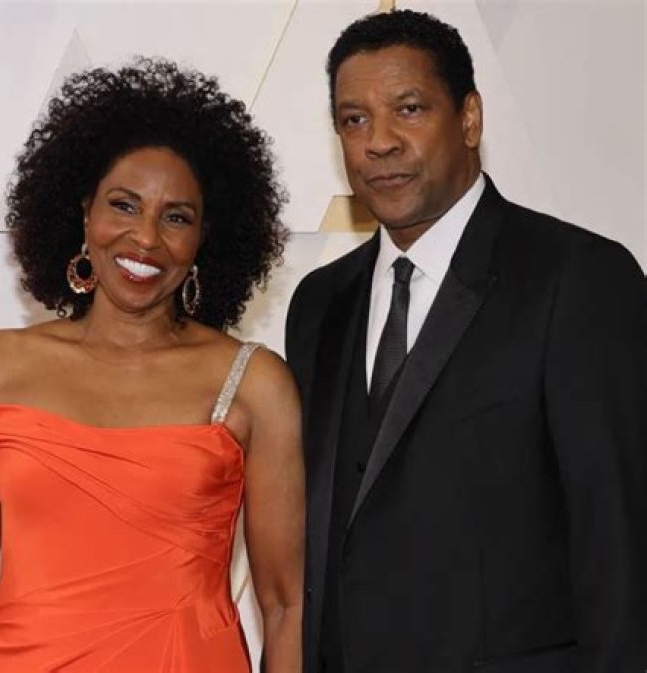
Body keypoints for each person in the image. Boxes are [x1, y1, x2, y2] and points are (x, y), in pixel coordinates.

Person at [286, 9, 647, 673]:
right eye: (354, 119)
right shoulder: (318, 303)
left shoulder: (578, 277)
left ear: (471, 118)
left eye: (409, 109)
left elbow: (622, 543)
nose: (379, 142)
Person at [0, 58, 303, 673]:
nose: (145, 238)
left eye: (176, 217)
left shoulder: (254, 382)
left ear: (204, 238)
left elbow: (286, 605)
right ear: (84, 214)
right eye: (123, 206)